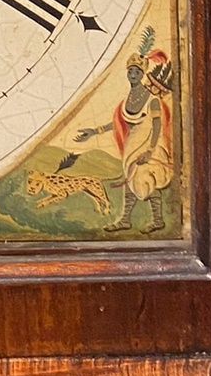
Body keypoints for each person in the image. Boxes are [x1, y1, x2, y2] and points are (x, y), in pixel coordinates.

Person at [74, 38, 174, 232]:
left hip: (148, 146)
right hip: (132, 144)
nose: (133, 74)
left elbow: (156, 126)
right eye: (130, 71)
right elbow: (121, 122)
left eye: (137, 72)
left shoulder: (152, 100)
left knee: (145, 180)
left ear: (143, 74)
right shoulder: (129, 98)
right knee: (130, 182)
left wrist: (150, 151)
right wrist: (94, 131)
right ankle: (126, 220)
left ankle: (157, 221)